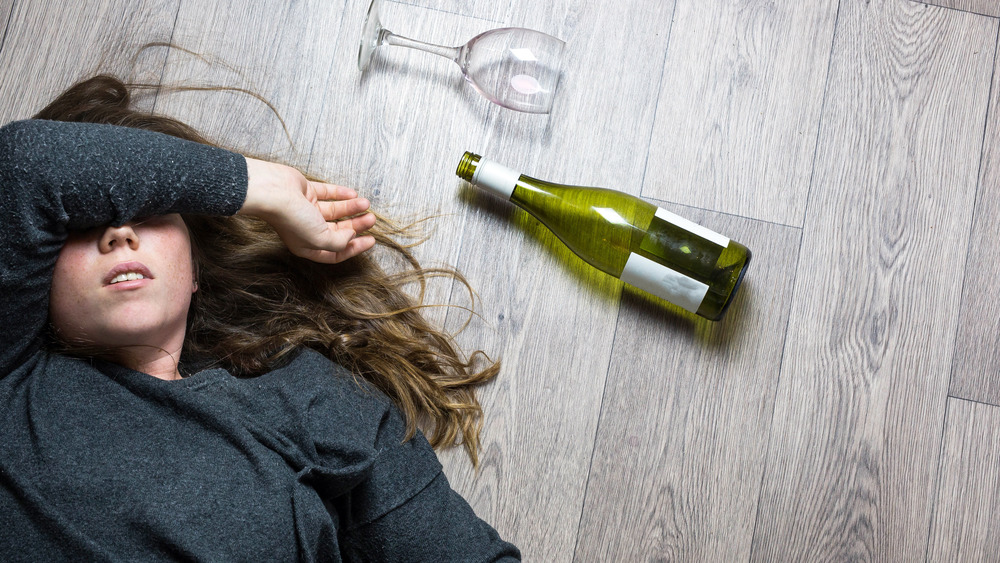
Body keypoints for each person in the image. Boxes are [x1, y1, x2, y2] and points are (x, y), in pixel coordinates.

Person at [0, 75, 520, 561]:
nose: (119, 234)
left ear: (195, 270)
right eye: (82, 223)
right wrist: (268, 191)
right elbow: (25, 163)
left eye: (152, 214)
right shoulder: (11, 382)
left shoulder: (311, 402)